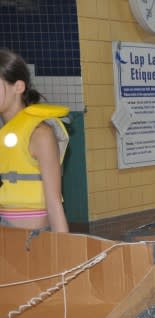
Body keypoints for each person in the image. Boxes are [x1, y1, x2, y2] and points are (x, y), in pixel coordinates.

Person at [0, 49, 69, 232]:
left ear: (19, 87)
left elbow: (54, 204)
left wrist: (64, 253)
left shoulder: (40, 134)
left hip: (33, 240)